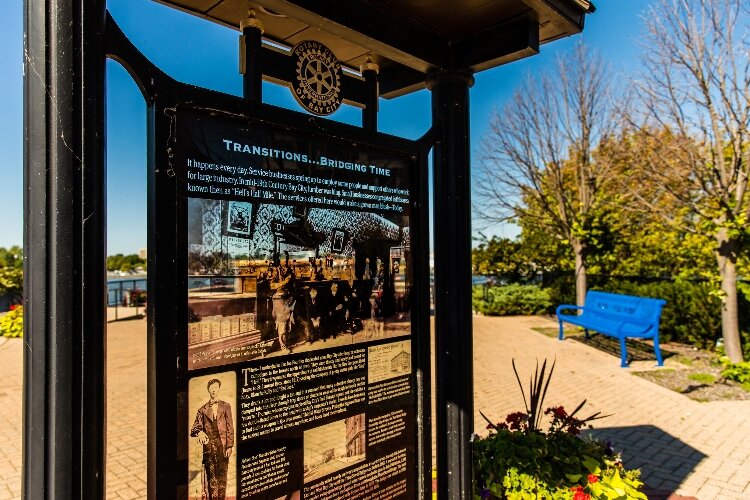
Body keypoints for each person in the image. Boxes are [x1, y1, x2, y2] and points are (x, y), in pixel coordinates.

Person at [191, 379, 234, 500]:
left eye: (216, 387)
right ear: (208, 390)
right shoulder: (202, 410)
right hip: (209, 448)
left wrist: (229, 446)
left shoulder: (226, 406)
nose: (214, 390)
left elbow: (230, 427)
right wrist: (199, 432)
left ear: (219, 389)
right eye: (212, 388)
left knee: (222, 475)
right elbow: (194, 428)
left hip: (223, 446)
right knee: (211, 476)